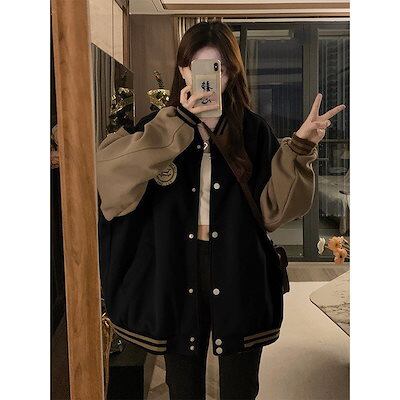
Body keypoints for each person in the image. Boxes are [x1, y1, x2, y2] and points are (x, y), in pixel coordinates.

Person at [96, 21, 345, 400]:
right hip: (175, 269)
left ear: (231, 72)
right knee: (182, 384)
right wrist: (177, 124)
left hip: (238, 266)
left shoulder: (252, 131)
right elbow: (108, 181)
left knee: (240, 385)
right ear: (183, 71)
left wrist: (301, 146)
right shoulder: (156, 129)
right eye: (197, 66)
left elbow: (276, 211)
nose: (209, 78)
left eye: (219, 67)